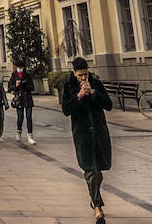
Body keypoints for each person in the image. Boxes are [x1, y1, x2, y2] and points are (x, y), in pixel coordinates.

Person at [60, 57, 112, 221]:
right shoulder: (68, 86)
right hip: (82, 135)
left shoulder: (96, 83)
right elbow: (66, 109)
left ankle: (93, 198)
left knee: (99, 172)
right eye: (80, 75)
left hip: (99, 133)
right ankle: (98, 208)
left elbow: (109, 105)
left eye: (85, 74)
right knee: (91, 172)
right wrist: (79, 96)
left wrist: (94, 93)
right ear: (74, 73)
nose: (83, 78)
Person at [8, 63, 35, 145]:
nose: (20, 69)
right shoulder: (14, 75)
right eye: (19, 67)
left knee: (29, 117)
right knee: (20, 117)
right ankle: (18, 131)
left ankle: (30, 136)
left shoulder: (27, 75)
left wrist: (26, 85)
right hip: (19, 99)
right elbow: (10, 87)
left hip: (28, 98)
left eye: (21, 67)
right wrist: (16, 85)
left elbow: (32, 87)